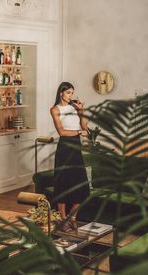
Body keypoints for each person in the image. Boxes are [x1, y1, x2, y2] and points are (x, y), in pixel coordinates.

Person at [50, 82, 90, 232]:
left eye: (72, 93)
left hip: (76, 148)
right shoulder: (55, 109)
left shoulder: (75, 107)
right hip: (65, 148)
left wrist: (82, 111)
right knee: (63, 183)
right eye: (68, 93)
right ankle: (62, 219)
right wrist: (79, 132)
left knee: (82, 186)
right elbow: (62, 132)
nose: (70, 96)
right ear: (61, 93)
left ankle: (72, 217)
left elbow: (84, 127)